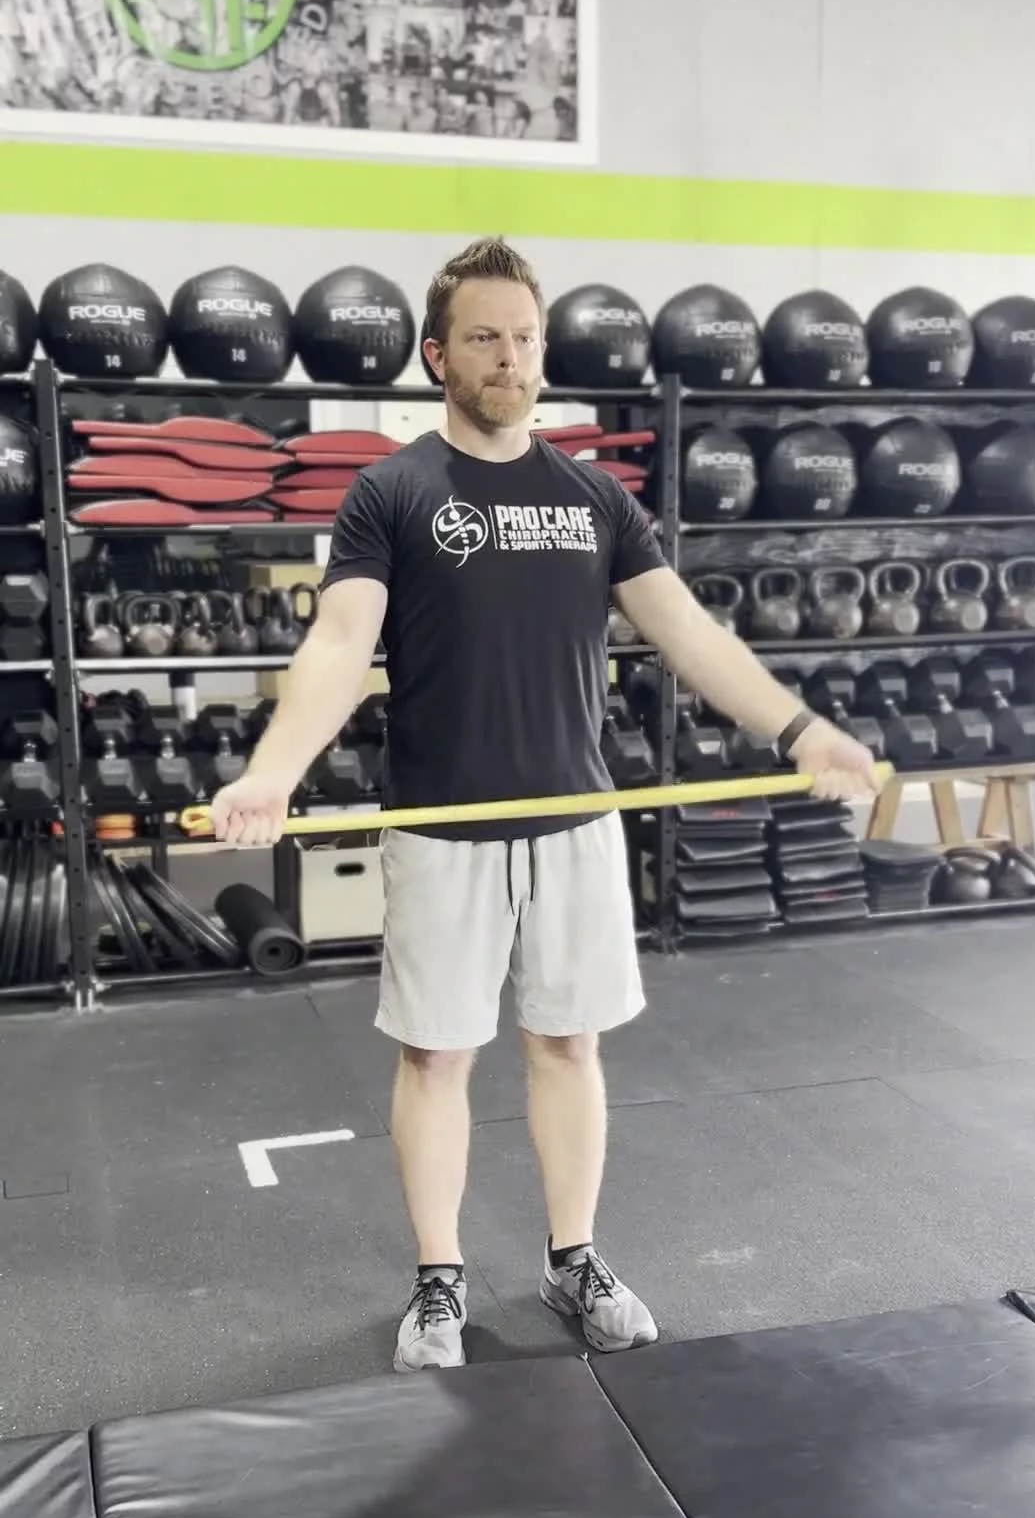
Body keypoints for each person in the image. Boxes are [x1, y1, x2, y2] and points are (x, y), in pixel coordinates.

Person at [210, 236, 881, 1374]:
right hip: (444, 826)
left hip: (576, 819)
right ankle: (439, 1280)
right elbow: (339, 641)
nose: (512, 357)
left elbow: (688, 633)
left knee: (568, 1045)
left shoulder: (594, 497)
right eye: (485, 337)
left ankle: (574, 1258)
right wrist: (274, 770)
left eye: (525, 337)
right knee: (438, 1058)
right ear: (438, 356)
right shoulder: (392, 492)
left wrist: (801, 728)